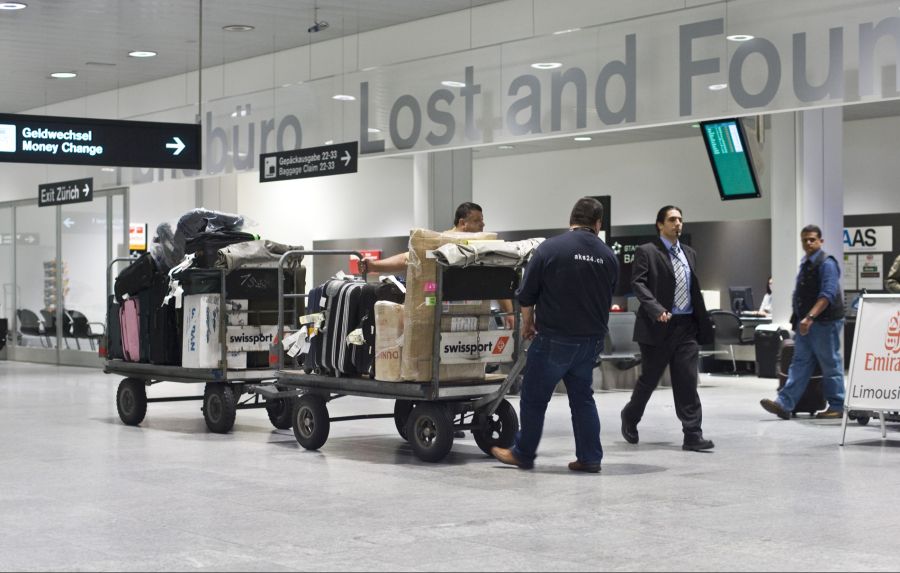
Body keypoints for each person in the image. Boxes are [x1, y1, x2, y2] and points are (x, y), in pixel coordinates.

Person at [490, 197, 618, 473]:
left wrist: (528, 323)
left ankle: (523, 454)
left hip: (555, 339)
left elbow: (527, 294)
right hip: (591, 341)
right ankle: (590, 457)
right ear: (598, 224)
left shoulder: (551, 249)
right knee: (583, 399)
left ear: (571, 220)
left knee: (534, 398)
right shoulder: (608, 256)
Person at [620, 205, 716, 452]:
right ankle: (630, 416)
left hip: (686, 327)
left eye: (680, 219)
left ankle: (693, 434)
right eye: (672, 219)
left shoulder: (690, 253)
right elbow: (638, 283)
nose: (678, 223)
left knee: (687, 380)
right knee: (649, 379)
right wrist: (656, 308)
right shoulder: (647, 252)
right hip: (657, 326)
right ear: (660, 225)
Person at [359, 202, 516, 328]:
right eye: (477, 221)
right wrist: (374, 266)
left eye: (482, 220)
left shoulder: (481, 247)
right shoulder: (441, 243)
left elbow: (493, 278)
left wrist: (508, 312)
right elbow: (408, 259)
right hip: (439, 314)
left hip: (473, 316)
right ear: (463, 223)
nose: (483, 224)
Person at [760, 224, 846, 420]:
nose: (808, 243)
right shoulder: (806, 263)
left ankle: (837, 405)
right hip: (806, 324)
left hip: (824, 323)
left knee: (830, 364)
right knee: (799, 363)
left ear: (821, 241)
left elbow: (827, 295)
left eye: (812, 239)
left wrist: (810, 317)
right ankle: (784, 403)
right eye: (805, 239)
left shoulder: (827, 264)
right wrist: (800, 320)